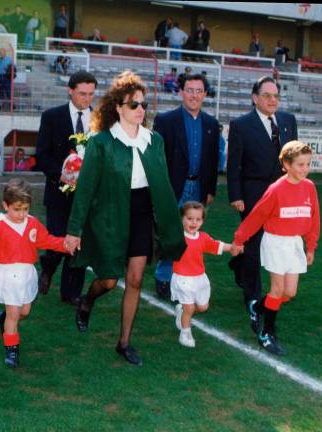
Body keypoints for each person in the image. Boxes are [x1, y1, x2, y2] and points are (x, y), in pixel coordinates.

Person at [65, 71, 186, 366]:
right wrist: (74, 229)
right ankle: (88, 300)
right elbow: (86, 188)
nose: (140, 109)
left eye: (142, 104)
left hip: (142, 211)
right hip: (110, 213)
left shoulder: (153, 140)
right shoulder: (102, 142)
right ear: (118, 107)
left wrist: (172, 222)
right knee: (108, 280)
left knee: (134, 280)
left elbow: (163, 183)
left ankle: (124, 343)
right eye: (133, 104)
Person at [232, 141, 320, 355]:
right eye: (300, 164)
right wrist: (239, 239)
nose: (305, 169)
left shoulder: (309, 187)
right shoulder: (276, 189)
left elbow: (314, 218)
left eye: (308, 164)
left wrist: (311, 247)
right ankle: (267, 333)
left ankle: (256, 307)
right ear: (286, 165)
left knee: (289, 292)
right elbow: (256, 217)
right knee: (277, 290)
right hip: (275, 242)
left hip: (294, 244)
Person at [227, 76, 298, 333]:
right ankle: (253, 295)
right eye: (267, 95)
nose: (272, 100)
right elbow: (233, 164)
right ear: (255, 98)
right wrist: (236, 194)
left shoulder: (288, 121)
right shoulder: (241, 125)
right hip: (253, 193)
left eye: (276, 96)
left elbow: (294, 159)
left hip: (282, 196)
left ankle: (243, 267)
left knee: (278, 243)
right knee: (254, 244)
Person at [0, 179, 69, 368]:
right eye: (17, 209)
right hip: (7, 273)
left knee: (24, 311)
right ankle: (12, 350)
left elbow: (46, 240)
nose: (21, 214)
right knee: (14, 313)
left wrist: (66, 244)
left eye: (25, 209)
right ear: (5, 205)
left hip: (28, 273)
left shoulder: (32, 223)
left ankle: (3, 318)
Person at [152, 74, 220, 300]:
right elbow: (158, 159)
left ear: (205, 94)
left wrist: (210, 189)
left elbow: (212, 160)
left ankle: (185, 280)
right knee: (171, 234)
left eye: (198, 91)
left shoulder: (211, 124)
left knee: (192, 235)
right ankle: (163, 278)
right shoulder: (165, 121)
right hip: (173, 188)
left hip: (198, 188)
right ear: (181, 92)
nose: (194, 95)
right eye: (189, 90)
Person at [35, 71, 97, 305]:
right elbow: (42, 155)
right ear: (70, 90)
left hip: (87, 196)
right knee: (59, 241)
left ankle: (71, 293)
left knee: (79, 244)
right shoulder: (52, 117)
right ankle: (48, 268)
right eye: (82, 93)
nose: (86, 99)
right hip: (58, 193)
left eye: (91, 94)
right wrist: (63, 175)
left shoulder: (100, 121)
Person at [172, 201, 234, 347]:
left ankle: (181, 310)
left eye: (198, 219)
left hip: (199, 278)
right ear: (182, 219)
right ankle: (185, 333)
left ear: (202, 221)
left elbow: (216, 245)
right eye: (189, 218)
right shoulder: (177, 237)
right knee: (190, 308)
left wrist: (232, 247)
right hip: (182, 278)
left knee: (203, 307)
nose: (193, 222)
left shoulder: (203, 237)